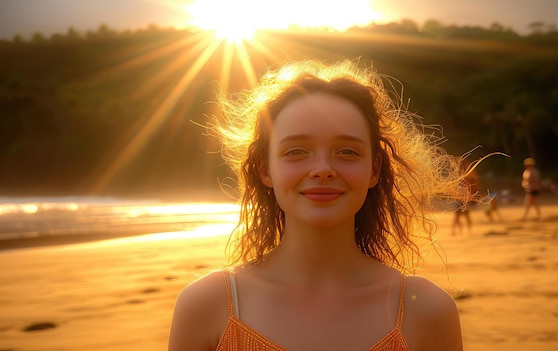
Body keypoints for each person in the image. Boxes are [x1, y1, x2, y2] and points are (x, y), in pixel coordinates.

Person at [168, 60, 466, 351]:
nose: (322, 169)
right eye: (296, 151)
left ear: (374, 169)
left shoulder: (425, 311)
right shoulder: (208, 306)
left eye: (347, 151)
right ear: (265, 169)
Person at [452, 159, 479, 235]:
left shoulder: (467, 175)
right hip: (463, 199)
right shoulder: (465, 174)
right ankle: (461, 230)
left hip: (465, 199)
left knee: (460, 215)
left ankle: (464, 230)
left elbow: (472, 187)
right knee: (461, 215)